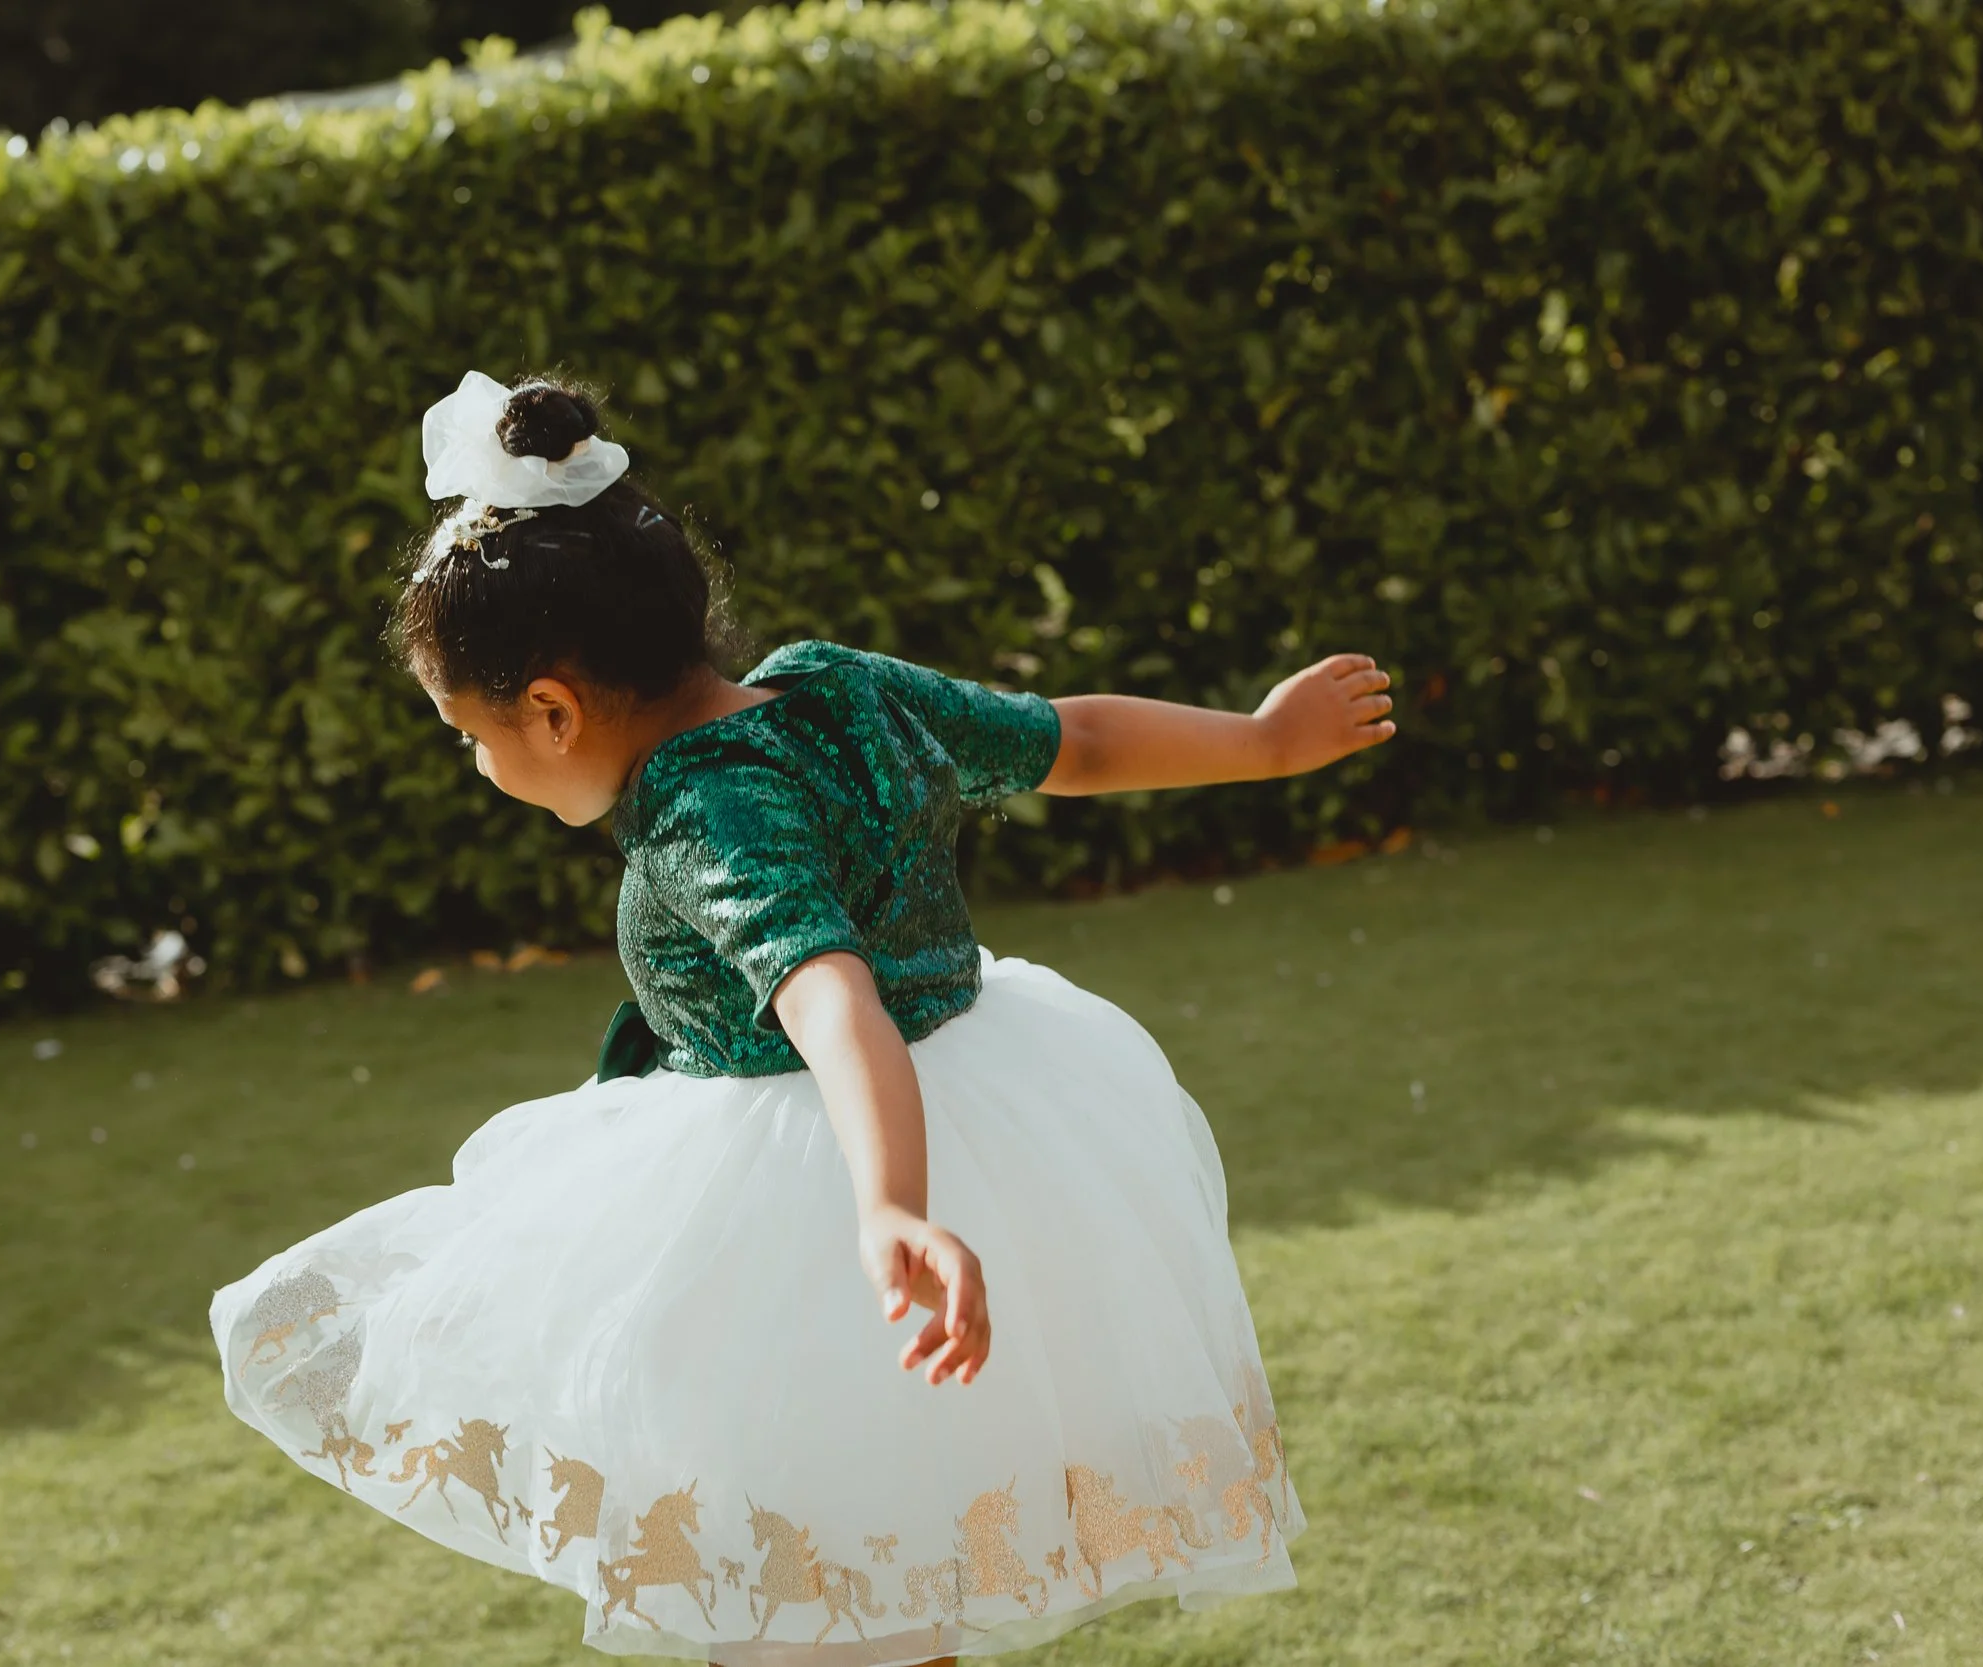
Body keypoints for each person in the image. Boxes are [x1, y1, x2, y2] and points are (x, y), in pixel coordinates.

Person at [209, 371, 1396, 1666]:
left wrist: (889, 1205)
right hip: (988, 1109)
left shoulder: (700, 810)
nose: (478, 763)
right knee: (871, 1573)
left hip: (819, 1190)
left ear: (550, 708)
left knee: (794, 1588)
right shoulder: (834, 687)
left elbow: (834, 999)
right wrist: (1264, 742)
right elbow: (1072, 741)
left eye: (470, 735)